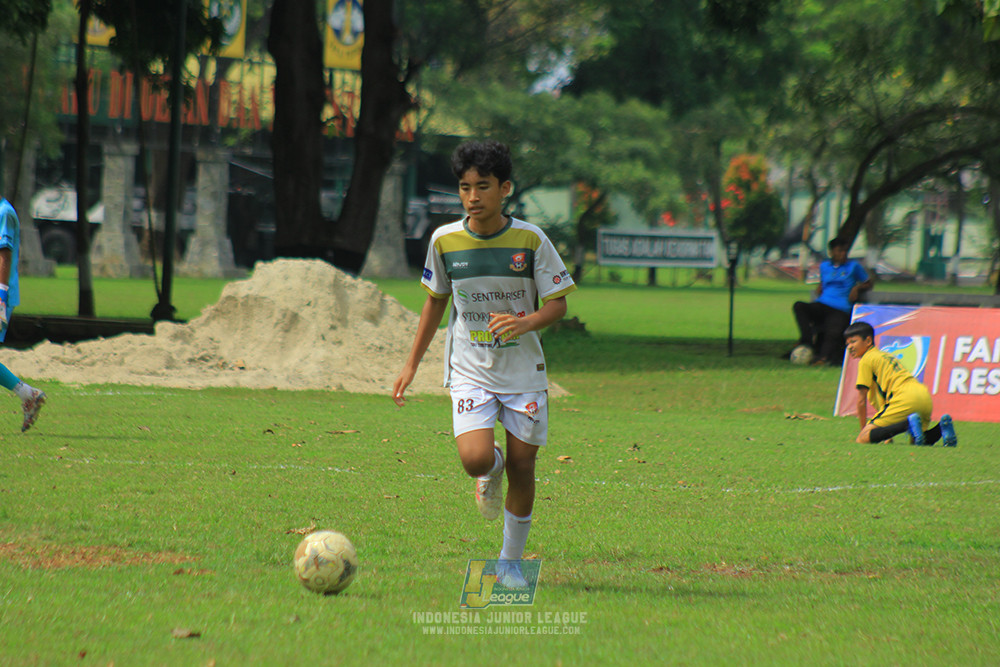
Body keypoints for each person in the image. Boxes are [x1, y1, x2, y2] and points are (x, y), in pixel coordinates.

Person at [392, 140, 576, 589]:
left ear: (504, 188)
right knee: (476, 460)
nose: (473, 197)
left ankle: (510, 564)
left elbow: (558, 305)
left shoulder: (531, 240)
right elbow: (435, 303)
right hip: (471, 368)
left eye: (483, 187)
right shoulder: (445, 240)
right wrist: (411, 363)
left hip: (523, 374)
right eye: (464, 187)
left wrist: (524, 321)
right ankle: (487, 473)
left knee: (524, 468)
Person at [844, 321, 957, 446]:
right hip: (923, 396)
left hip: (904, 398)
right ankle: (941, 428)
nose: (849, 347)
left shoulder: (866, 360)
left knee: (863, 438)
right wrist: (886, 436)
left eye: (853, 342)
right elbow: (885, 406)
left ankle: (908, 424)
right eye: (847, 344)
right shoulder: (886, 356)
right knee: (918, 441)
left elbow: (861, 400)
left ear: (868, 341)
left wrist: (864, 433)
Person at [0, 196, 45, 432]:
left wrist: (1, 299)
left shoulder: (4, 212)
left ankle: (29, 394)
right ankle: (29, 395)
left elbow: (4, 256)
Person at [792, 238, 873, 366]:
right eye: (839, 251)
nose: (843, 254)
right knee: (799, 306)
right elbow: (823, 283)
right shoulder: (825, 266)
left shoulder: (853, 266)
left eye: (845, 251)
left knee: (833, 329)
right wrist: (820, 287)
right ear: (831, 253)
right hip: (823, 304)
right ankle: (806, 341)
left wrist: (857, 287)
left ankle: (822, 358)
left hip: (840, 308)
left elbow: (868, 282)